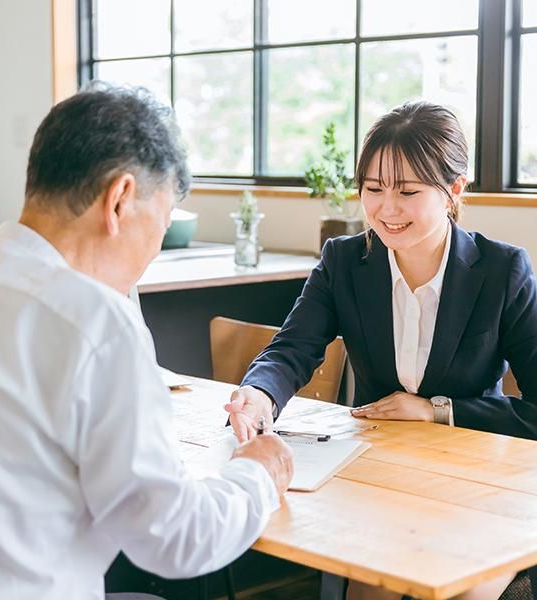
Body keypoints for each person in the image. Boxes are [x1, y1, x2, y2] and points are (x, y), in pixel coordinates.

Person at [0, 84, 294, 600]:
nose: (152, 253)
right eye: (160, 225)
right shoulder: (96, 323)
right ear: (120, 200)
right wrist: (257, 473)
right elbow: (175, 540)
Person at [226, 101, 537, 599]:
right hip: (377, 476)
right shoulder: (345, 262)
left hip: (477, 488)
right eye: (373, 190)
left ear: (454, 190)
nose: (386, 210)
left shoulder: (503, 273)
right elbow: (293, 348)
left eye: (408, 192)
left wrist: (437, 412)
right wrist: (259, 394)